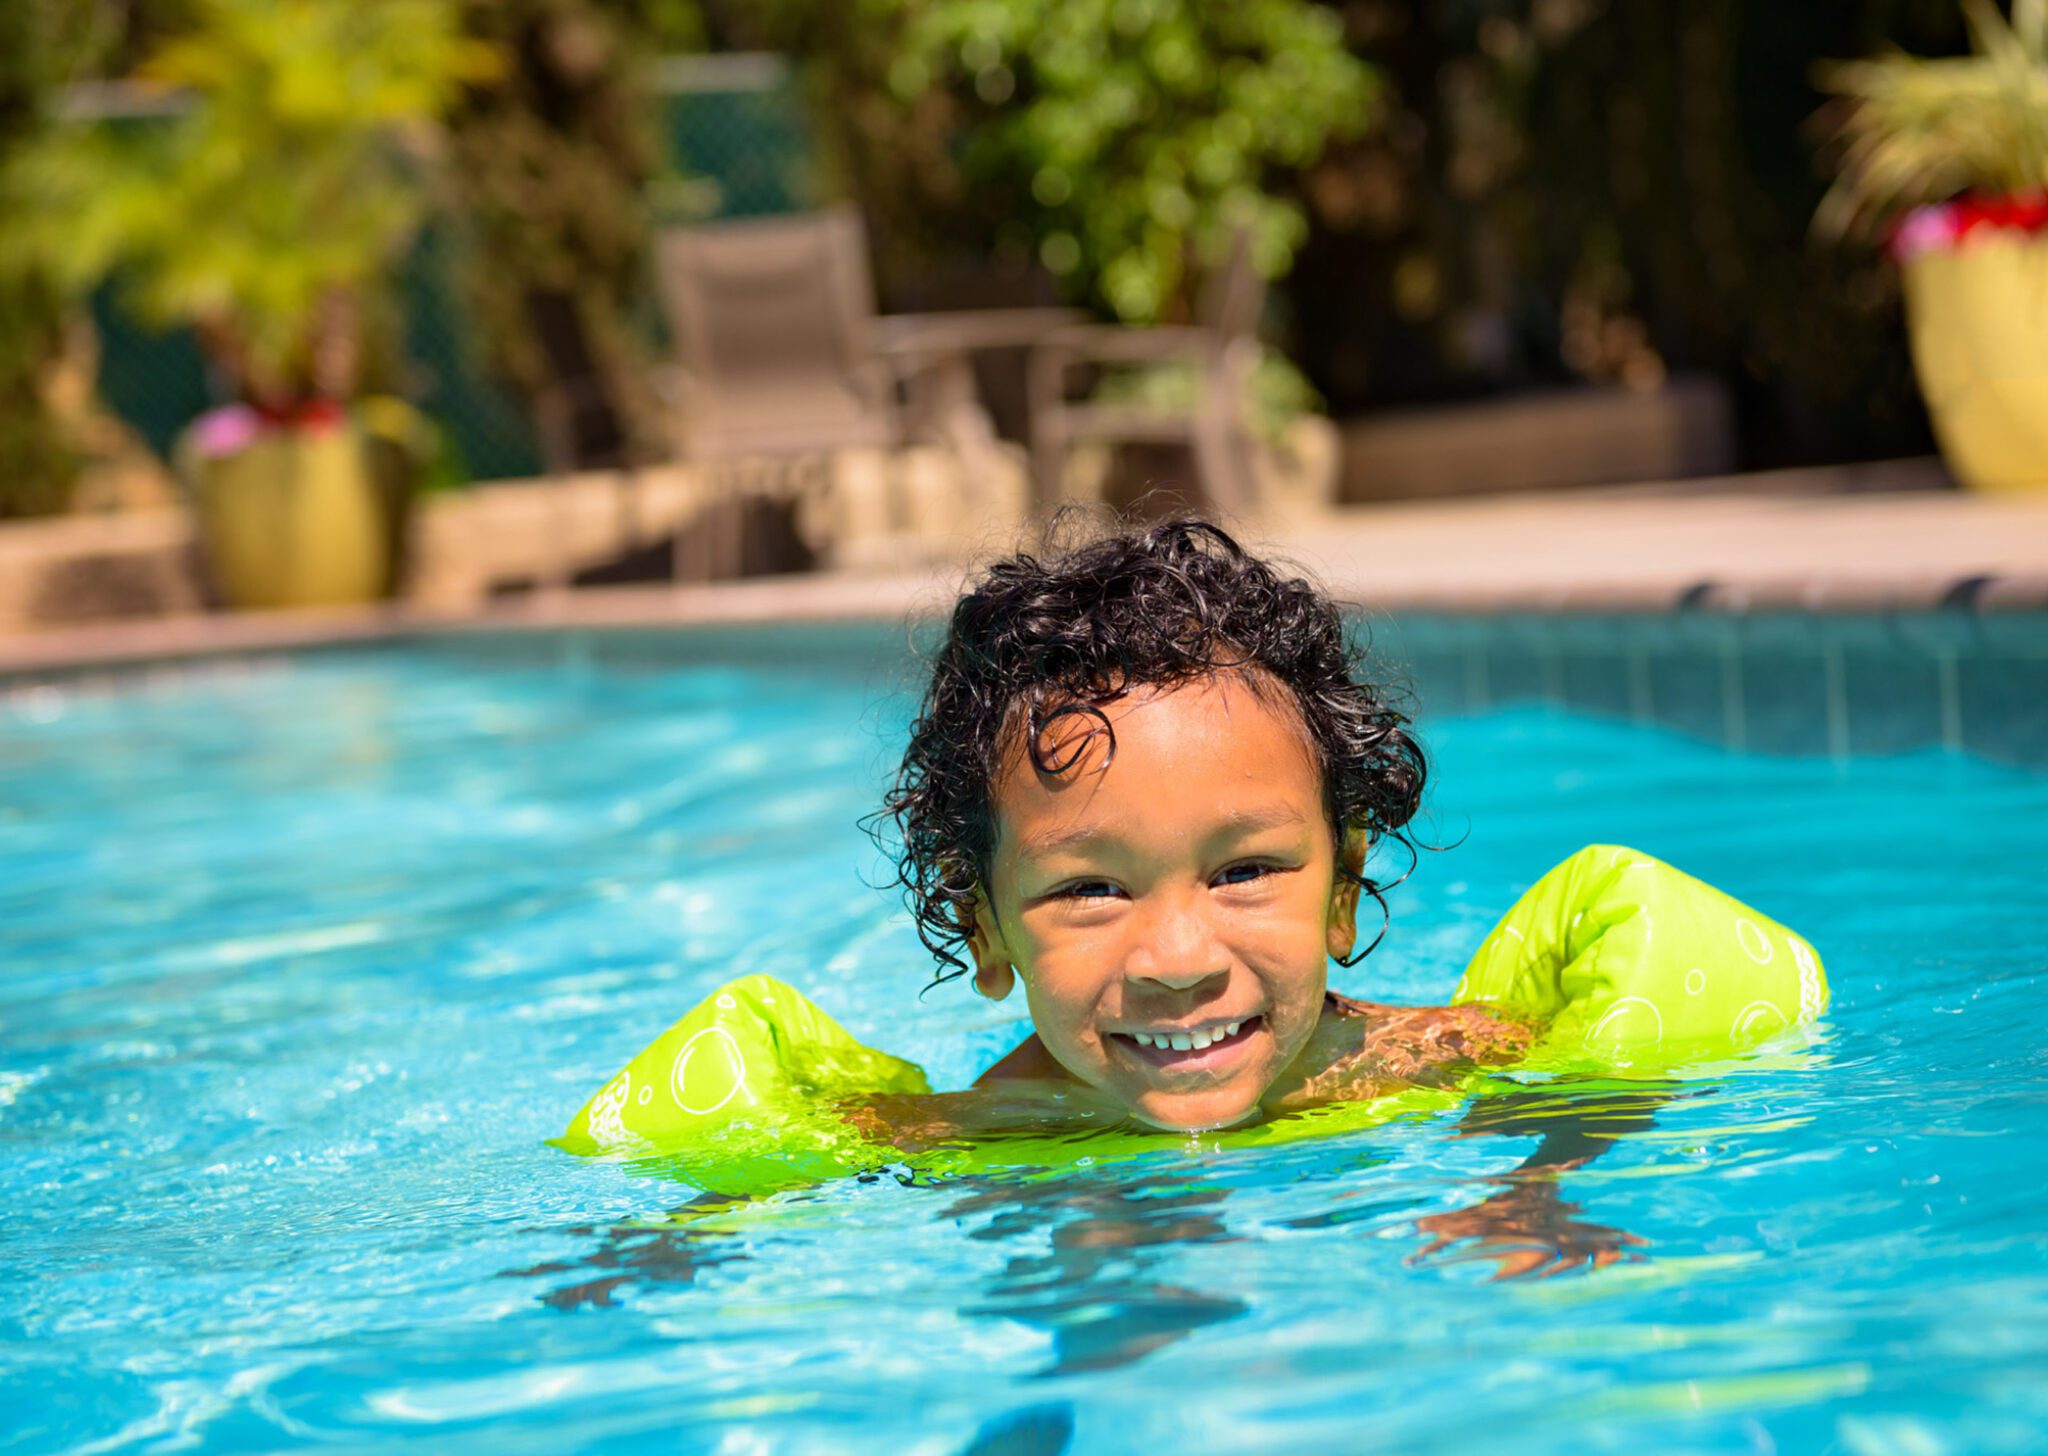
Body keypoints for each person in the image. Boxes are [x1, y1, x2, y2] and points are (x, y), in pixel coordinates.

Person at [884, 515, 1529, 1133]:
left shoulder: (1446, 1065)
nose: (1179, 962)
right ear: (984, 929)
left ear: (1345, 888)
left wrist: (1528, 1190)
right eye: (1089, 889)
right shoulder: (985, 1136)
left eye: (1244, 872)